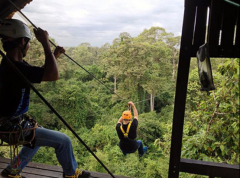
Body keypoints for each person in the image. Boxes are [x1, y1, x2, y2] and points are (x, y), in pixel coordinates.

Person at [0, 19, 90, 178]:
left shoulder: (11, 65)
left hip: (12, 123)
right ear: (22, 41)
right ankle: (71, 174)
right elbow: (52, 75)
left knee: (35, 138)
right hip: (11, 127)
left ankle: (12, 171)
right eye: (28, 43)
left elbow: (40, 73)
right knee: (64, 141)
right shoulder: (15, 68)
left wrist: (54, 56)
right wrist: (45, 43)